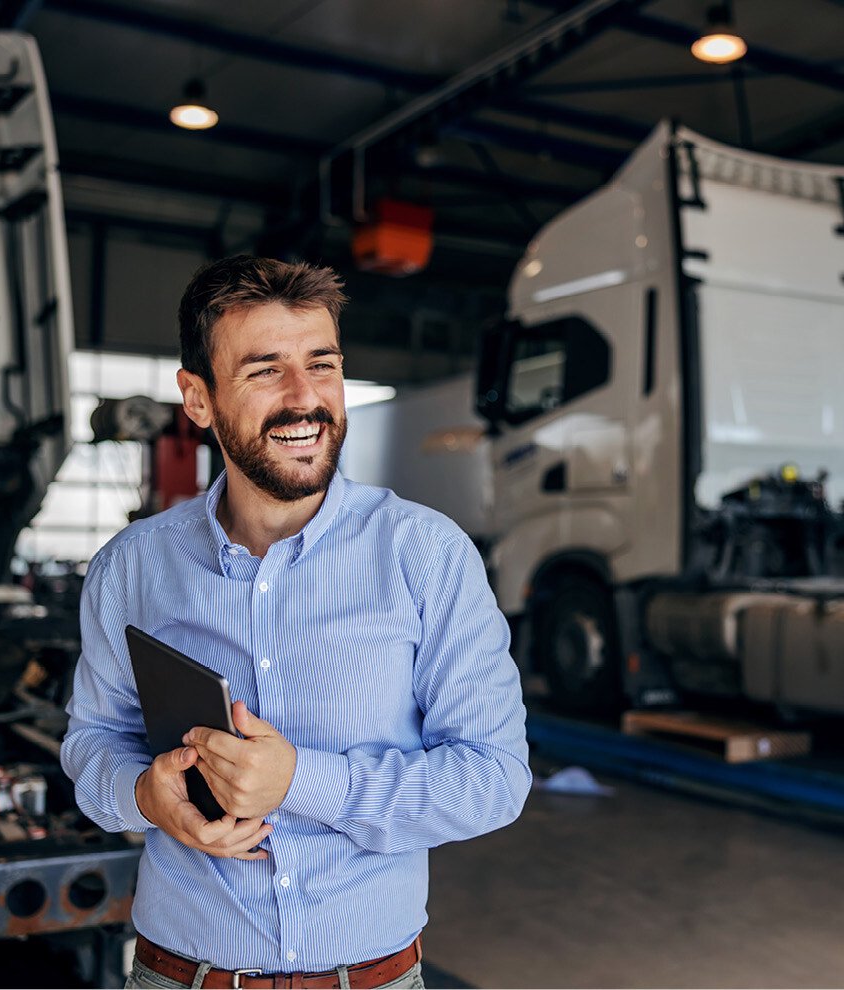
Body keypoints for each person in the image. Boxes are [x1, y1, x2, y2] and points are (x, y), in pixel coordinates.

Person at [61, 255, 531, 990]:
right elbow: (92, 742)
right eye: (263, 371)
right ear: (197, 398)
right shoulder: (132, 567)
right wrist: (142, 795)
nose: (306, 399)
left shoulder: (425, 556)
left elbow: (494, 779)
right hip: (179, 976)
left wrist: (302, 782)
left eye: (322, 364)